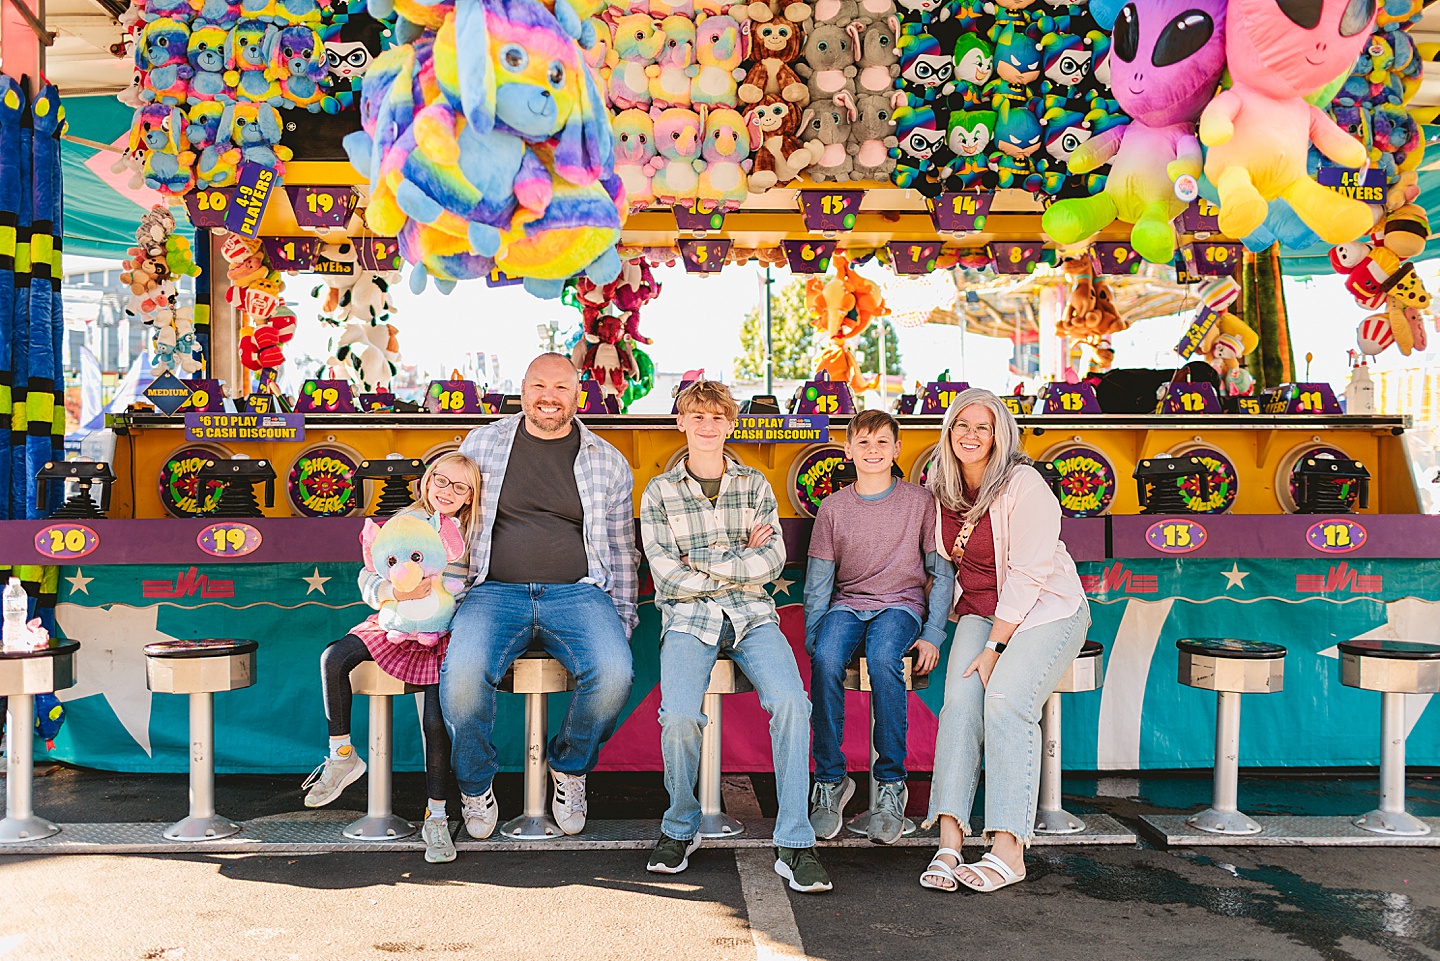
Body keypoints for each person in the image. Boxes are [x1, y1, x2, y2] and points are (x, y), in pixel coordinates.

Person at [639, 380, 831, 893]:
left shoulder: (755, 484)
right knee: (679, 715)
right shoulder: (659, 491)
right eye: (696, 417)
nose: (707, 426)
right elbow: (665, 573)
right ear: (680, 421)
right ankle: (680, 826)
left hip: (752, 613)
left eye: (717, 418)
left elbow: (771, 564)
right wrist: (735, 561)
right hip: (687, 617)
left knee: (792, 702)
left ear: (730, 424)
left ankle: (795, 840)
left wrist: (704, 564)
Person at [440, 353, 638, 840]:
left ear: (578, 394)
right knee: (462, 679)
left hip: (577, 593)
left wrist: (623, 619)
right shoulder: (483, 443)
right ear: (523, 388)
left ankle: (569, 767)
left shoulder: (607, 460)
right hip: (492, 591)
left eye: (561, 389)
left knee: (615, 674)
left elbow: (621, 549)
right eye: (539, 386)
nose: (549, 398)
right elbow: (449, 516)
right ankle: (475, 782)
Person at [919, 388, 1090, 893]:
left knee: (1007, 703)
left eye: (983, 427)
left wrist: (994, 647)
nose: (970, 435)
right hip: (981, 609)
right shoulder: (941, 489)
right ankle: (949, 840)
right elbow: (944, 570)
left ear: (999, 436)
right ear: (949, 431)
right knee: (959, 704)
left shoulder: (1023, 483)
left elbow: (1028, 574)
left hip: (1045, 610)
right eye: (961, 425)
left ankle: (1008, 849)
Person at [303, 452, 481, 864]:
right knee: (335, 658)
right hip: (396, 620)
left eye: (460, 486)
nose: (446, 491)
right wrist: (393, 594)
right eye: (440, 480)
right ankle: (342, 756)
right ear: (426, 480)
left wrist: (446, 595)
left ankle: (436, 816)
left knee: (435, 722)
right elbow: (369, 574)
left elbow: (479, 585)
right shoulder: (403, 522)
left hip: (443, 633)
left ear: (471, 496)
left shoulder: (475, 534)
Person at [803, 408, 951, 844]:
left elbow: (940, 573)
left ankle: (890, 786)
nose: (872, 450)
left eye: (882, 442)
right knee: (827, 657)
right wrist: (815, 632)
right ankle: (831, 781)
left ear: (896, 449)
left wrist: (932, 634)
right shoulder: (832, 509)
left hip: (900, 606)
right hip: (847, 605)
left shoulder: (920, 503)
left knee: (886, 657)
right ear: (847, 451)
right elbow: (819, 580)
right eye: (863, 442)